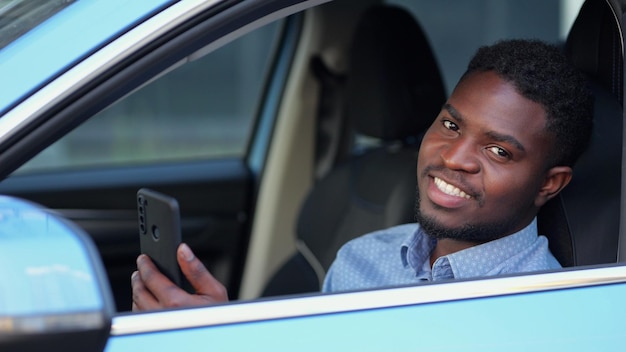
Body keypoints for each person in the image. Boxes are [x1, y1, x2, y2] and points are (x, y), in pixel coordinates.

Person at [131, 39, 593, 311]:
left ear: (550, 184)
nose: (455, 158)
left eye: (497, 150)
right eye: (451, 125)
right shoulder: (359, 259)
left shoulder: (543, 312)